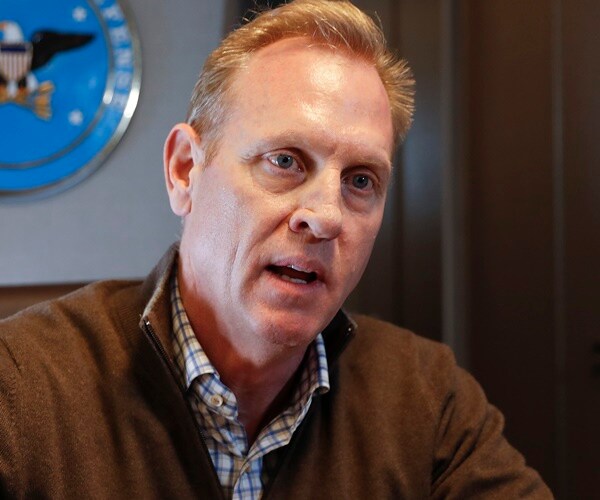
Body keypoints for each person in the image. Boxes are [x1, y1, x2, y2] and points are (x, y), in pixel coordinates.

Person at [0, 1, 552, 498]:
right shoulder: (20, 384)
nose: (327, 217)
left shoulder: (428, 398)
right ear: (185, 170)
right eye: (285, 161)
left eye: (360, 180)